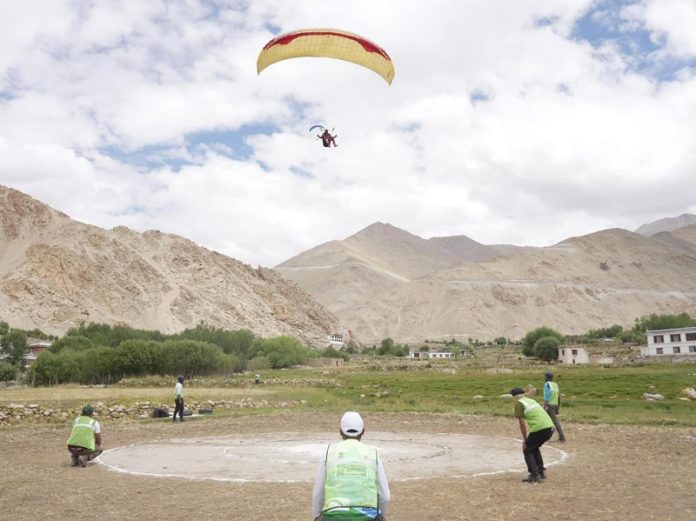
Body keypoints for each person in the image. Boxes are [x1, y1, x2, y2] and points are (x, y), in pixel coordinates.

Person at [312, 412, 390, 521]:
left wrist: (317, 516)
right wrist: (380, 515)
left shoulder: (328, 452)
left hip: (334, 515)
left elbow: (318, 493)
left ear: (340, 431)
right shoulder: (373, 454)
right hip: (367, 516)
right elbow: (385, 496)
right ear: (363, 431)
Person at [510, 387, 554, 483]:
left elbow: (522, 423)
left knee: (527, 449)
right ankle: (541, 472)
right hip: (550, 427)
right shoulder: (530, 400)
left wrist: (525, 439)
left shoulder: (519, 403)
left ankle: (534, 475)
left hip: (540, 428)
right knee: (534, 447)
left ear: (514, 397)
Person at [543, 372, 566, 443]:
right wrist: (558, 408)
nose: (544, 378)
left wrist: (544, 406)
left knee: (554, 421)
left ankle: (562, 437)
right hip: (555, 404)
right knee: (549, 420)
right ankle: (546, 436)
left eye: (545, 376)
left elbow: (547, 396)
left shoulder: (547, 384)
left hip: (549, 405)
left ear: (546, 377)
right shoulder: (555, 385)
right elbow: (558, 397)